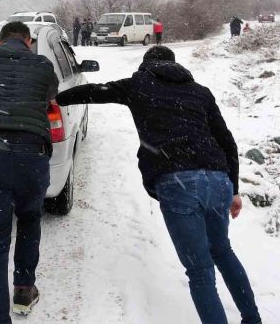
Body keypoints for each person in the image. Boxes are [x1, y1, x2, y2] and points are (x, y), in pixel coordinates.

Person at [55, 46, 261, 324]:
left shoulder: (139, 84)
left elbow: (95, 91)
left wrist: (55, 98)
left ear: (146, 64)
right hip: (217, 179)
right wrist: (234, 189)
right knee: (223, 251)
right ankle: (253, 319)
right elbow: (227, 142)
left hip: (178, 181)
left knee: (200, 272)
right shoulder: (200, 92)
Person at [0, 21, 58, 324]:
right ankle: (23, 289)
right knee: (30, 220)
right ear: (28, 41)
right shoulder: (42, 64)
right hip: (32, 155)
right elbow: (50, 93)